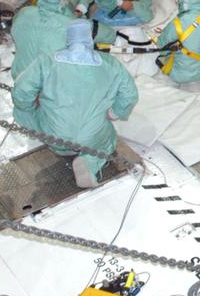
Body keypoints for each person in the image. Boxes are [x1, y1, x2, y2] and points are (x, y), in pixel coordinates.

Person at [12, 20, 139, 189]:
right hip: (92, 137)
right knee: (107, 141)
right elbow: (130, 94)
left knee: (22, 110)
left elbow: (21, 91)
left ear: (68, 38)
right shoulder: (110, 63)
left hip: (55, 135)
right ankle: (89, 161)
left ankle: (63, 149)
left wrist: (30, 107)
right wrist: (115, 112)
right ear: (90, 38)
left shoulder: (47, 61)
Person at [10, 0, 75, 81]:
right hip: (47, 82)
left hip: (19, 75)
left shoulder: (24, 12)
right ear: (62, 0)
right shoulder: (68, 24)